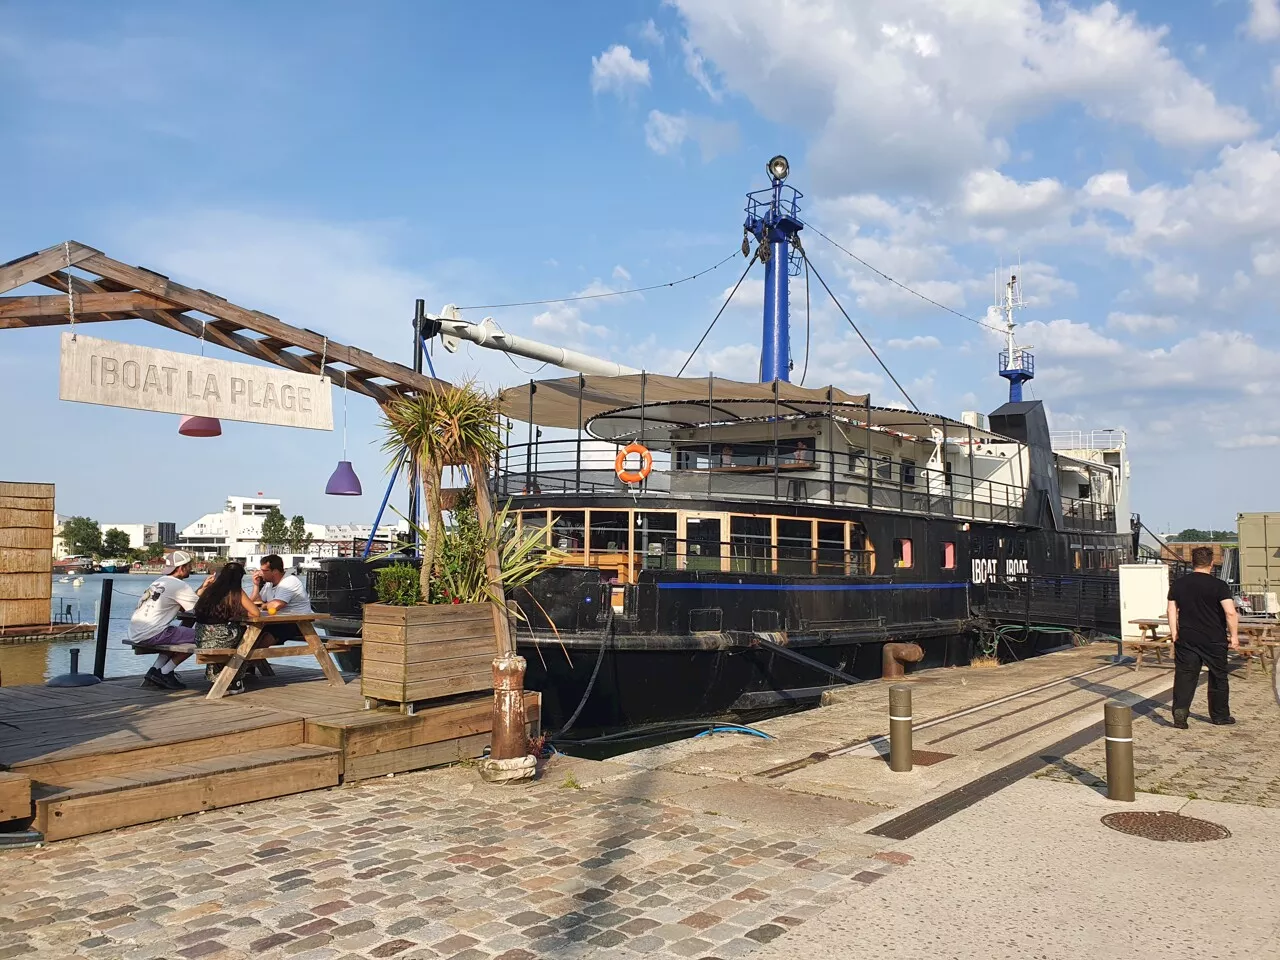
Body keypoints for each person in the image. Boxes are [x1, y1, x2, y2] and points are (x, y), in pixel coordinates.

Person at [1168, 546, 1239, 728]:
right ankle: (1220, 716)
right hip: (1214, 638)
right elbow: (1230, 613)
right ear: (1212, 563)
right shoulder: (1219, 586)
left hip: (1187, 637)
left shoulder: (1178, 584)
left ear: (1192, 563)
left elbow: (1171, 610)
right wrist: (1234, 636)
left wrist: (1174, 632)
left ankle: (1180, 714)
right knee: (1218, 676)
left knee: (1185, 676)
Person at [129, 550, 199, 690]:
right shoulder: (180, 585)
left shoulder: (159, 581)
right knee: (202, 638)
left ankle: (155, 670)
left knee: (177, 637)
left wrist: (202, 589)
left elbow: (186, 606)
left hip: (136, 632)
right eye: (189, 565)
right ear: (181, 568)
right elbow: (199, 609)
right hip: (153, 633)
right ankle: (165, 673)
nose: (191, 568)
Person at [192, 561, 260, 692]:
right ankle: (236, 679)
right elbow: (255, 613)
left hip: (201, 637)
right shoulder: (235, 591)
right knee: (247, 637)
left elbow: (198, 598)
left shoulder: (210, 589)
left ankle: (217, 676)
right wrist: (241, 611)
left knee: (231, 636)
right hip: (219, 638)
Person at [249, 554, 313, 644]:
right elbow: (255, 602)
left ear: (275, 571)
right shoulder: (269, 584)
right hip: (277, 621)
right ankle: (249, 657)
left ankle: (251, 657)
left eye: (264, 571)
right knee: (248, 636)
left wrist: (263, 605)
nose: (260, 573)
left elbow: (275, 605)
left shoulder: (289, 581)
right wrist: (256, 585)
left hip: (297, 623)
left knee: (263, 639)